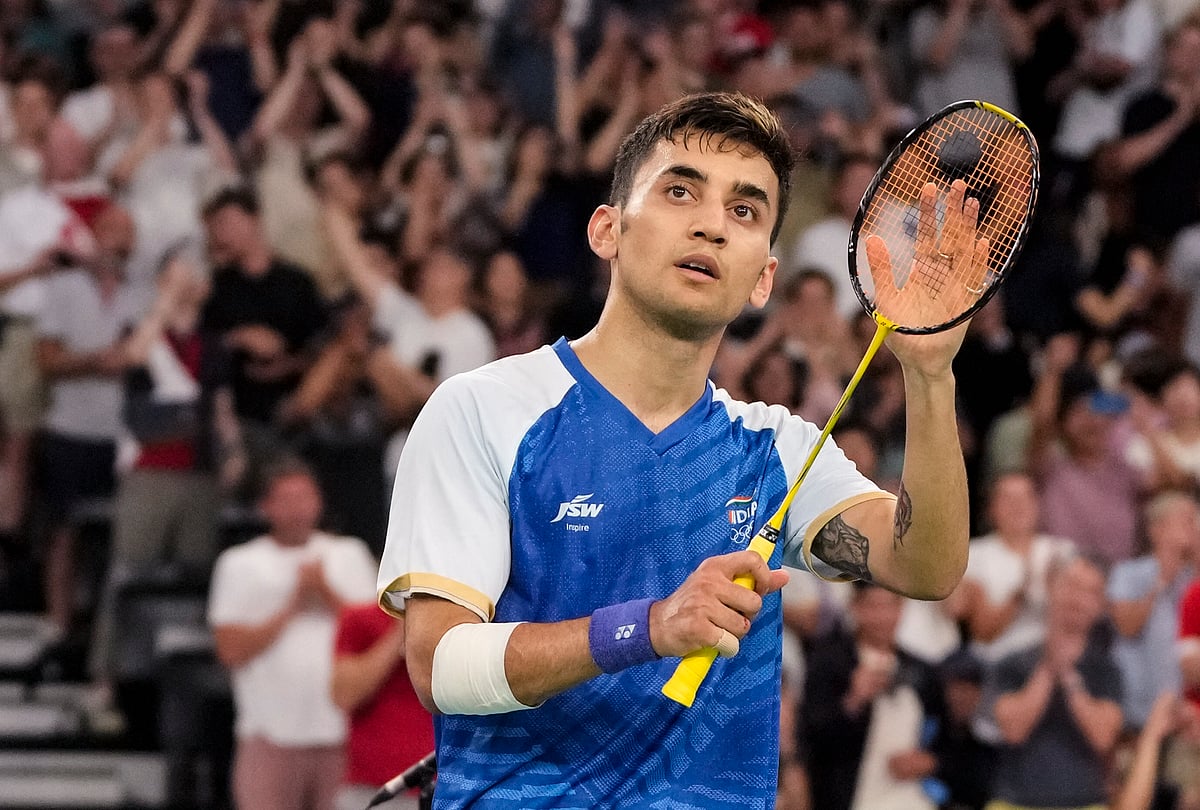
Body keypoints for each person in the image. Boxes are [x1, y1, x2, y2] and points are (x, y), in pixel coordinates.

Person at [377, 92, 979, 806]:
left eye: (744, 210)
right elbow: (440, 665)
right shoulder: (485, 411)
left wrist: (930, 375)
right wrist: (650, 627)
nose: (711, 225)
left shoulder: (776, 450)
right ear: (608, 230)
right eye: (680, 191)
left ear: (764, 279)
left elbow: (926, 564)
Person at [208, 460, 378, 810]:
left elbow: (380, 638)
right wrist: (293, 605)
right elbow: (229, 650)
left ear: (319, 501)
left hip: (343, 734)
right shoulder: (239, 563)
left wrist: (327, 593)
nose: (297, 508)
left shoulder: (350, 554)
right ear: (265, 506)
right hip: (269, 734)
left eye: (304, 497)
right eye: (286, 499)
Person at [983, 556, 1124, 810]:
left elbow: (1103, 737)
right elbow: (1013, 730)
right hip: (1013, 801)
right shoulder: (1012, 663)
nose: (1077, 599)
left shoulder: (1107, 671)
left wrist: (1069, 676)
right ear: (1051, 587)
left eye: (1090, 592)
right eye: (1071, 585)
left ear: (1102, 605)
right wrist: (1048, 668)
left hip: (1085, 803)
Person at [799, 581, 945, 810]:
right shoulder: (830, 662)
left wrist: (928, 761)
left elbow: (947, 736)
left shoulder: (920, 670)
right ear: (854, 607)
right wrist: (853, 701)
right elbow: (812, 737)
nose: (881, 617)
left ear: (902, 608)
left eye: (889, 606)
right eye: (872, 607)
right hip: (850, 797)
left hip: (911, 796)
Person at [331, 605, 435, 810]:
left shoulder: (451, 621)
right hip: (370, 789)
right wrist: (401, 630)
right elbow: (344, 696)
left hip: (444, 787)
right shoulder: (359, 618)